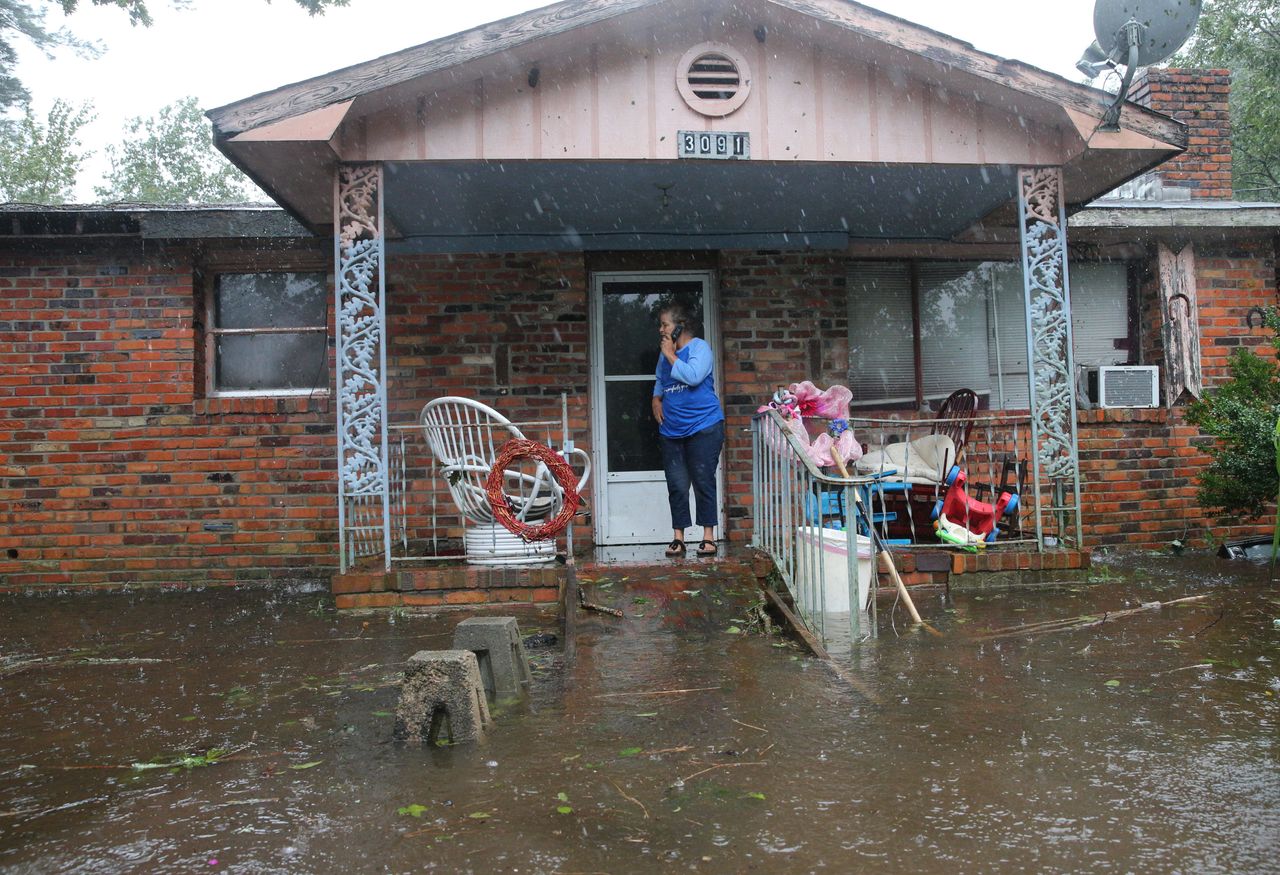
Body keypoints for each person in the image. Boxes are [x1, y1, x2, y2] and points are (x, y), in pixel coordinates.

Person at [651, 303, 725, 558]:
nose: (661, 330)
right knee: (677, 485)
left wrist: (672, 355)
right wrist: (656, 398)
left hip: (704, 426)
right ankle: (678, 538)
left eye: (665, 325)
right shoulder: (664, 355)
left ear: (679, 326)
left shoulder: (699, 348)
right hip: (672, 430)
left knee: (703, 480)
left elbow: (693, 376)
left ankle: (708, 537)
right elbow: (661, 379)